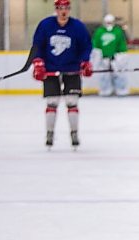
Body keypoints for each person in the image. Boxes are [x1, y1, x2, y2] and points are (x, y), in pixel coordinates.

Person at [31, 0, 93, 149]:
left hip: (72, 68)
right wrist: (38, 62)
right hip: (50, 69)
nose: (63, 11)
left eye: (66, 8)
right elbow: (37, 44)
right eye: (60, 8)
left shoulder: (78, 26)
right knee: (52, 102)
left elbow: (86, 46)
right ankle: (50, 133)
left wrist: (85, 62)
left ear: (69, 9)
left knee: (72, 101)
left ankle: (74, 133)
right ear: (56, 9)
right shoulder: (46, 25)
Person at [91, 14, 129, 97]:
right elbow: (95, 45)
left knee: (119, 74)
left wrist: (120, 56)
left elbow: (122, 45)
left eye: (110, 22)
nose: (109, 24)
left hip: (115, 58)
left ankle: (121, 90)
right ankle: (105, 90)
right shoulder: (99, 31)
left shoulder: (118, 31)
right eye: (107, 22)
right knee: (104, 75)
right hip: (103, 58)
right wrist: (98, 56)